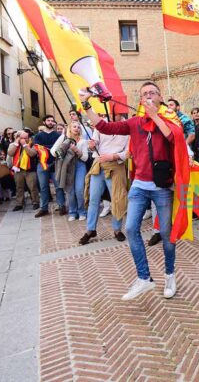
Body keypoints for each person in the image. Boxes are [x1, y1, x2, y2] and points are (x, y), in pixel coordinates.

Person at [80, 81, 182, 300]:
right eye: (144, 93)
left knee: (166, 234)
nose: (147, 96)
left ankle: (170, 275)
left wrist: (155, 115)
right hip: (139, 184)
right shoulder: (134, 123)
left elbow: (173, 137)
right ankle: (144, 277)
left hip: (162, 187)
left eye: (152, 93)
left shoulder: (169, 119)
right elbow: (104, 127)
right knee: (131, 227)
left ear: (159, 96)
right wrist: (85, 104)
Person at [80, 114, 128, 245]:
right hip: (99, 165)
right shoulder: (101, 124)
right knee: (93, 199)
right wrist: (92, 144)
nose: (114, 114)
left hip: (116, 166)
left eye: (118, 112)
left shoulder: (128, 127)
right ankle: (90, 230)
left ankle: (117, 230)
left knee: (117, 199)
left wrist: (113, 156)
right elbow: (94, 142)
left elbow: (129, 152)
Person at [51, 121, 89, 221]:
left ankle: (82, 211)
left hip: (80, 166)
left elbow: (85, 158)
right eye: (74, 126)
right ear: (70, 128)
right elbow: (53, 151)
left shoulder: (83, 141)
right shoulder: (63, 138)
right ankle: (72, 212)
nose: (76, 128)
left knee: (79, 190)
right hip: (67, 166)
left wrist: (76, 150)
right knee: (70, 191)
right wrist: (61, 152)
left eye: (78, 127)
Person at [33, 115, 66, 217]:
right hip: (42, 164)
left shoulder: (58, 136)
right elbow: (38, 149)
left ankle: (61, 206)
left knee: (58, 187)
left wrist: (47, 148)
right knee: (43, 187)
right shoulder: (38, 136)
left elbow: (60, 148)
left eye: (52, 121)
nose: (51, 122)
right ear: (44, 122)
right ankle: (44, 208)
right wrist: (51, 148)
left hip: (56, 164)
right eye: (48, 120)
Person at [7, 130, 40, 211]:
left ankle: (35, 202)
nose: (25, 139)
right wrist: (16, 144)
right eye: (23, 138)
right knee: (19, 187)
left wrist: (25, 145)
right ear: (18, 138)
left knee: (33, 187)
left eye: (26, 137)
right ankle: (19, 203)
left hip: (30, 170)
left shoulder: (32, 144)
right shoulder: (13, 145)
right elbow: (10, 153)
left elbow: (32, 154)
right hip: (18, 170)